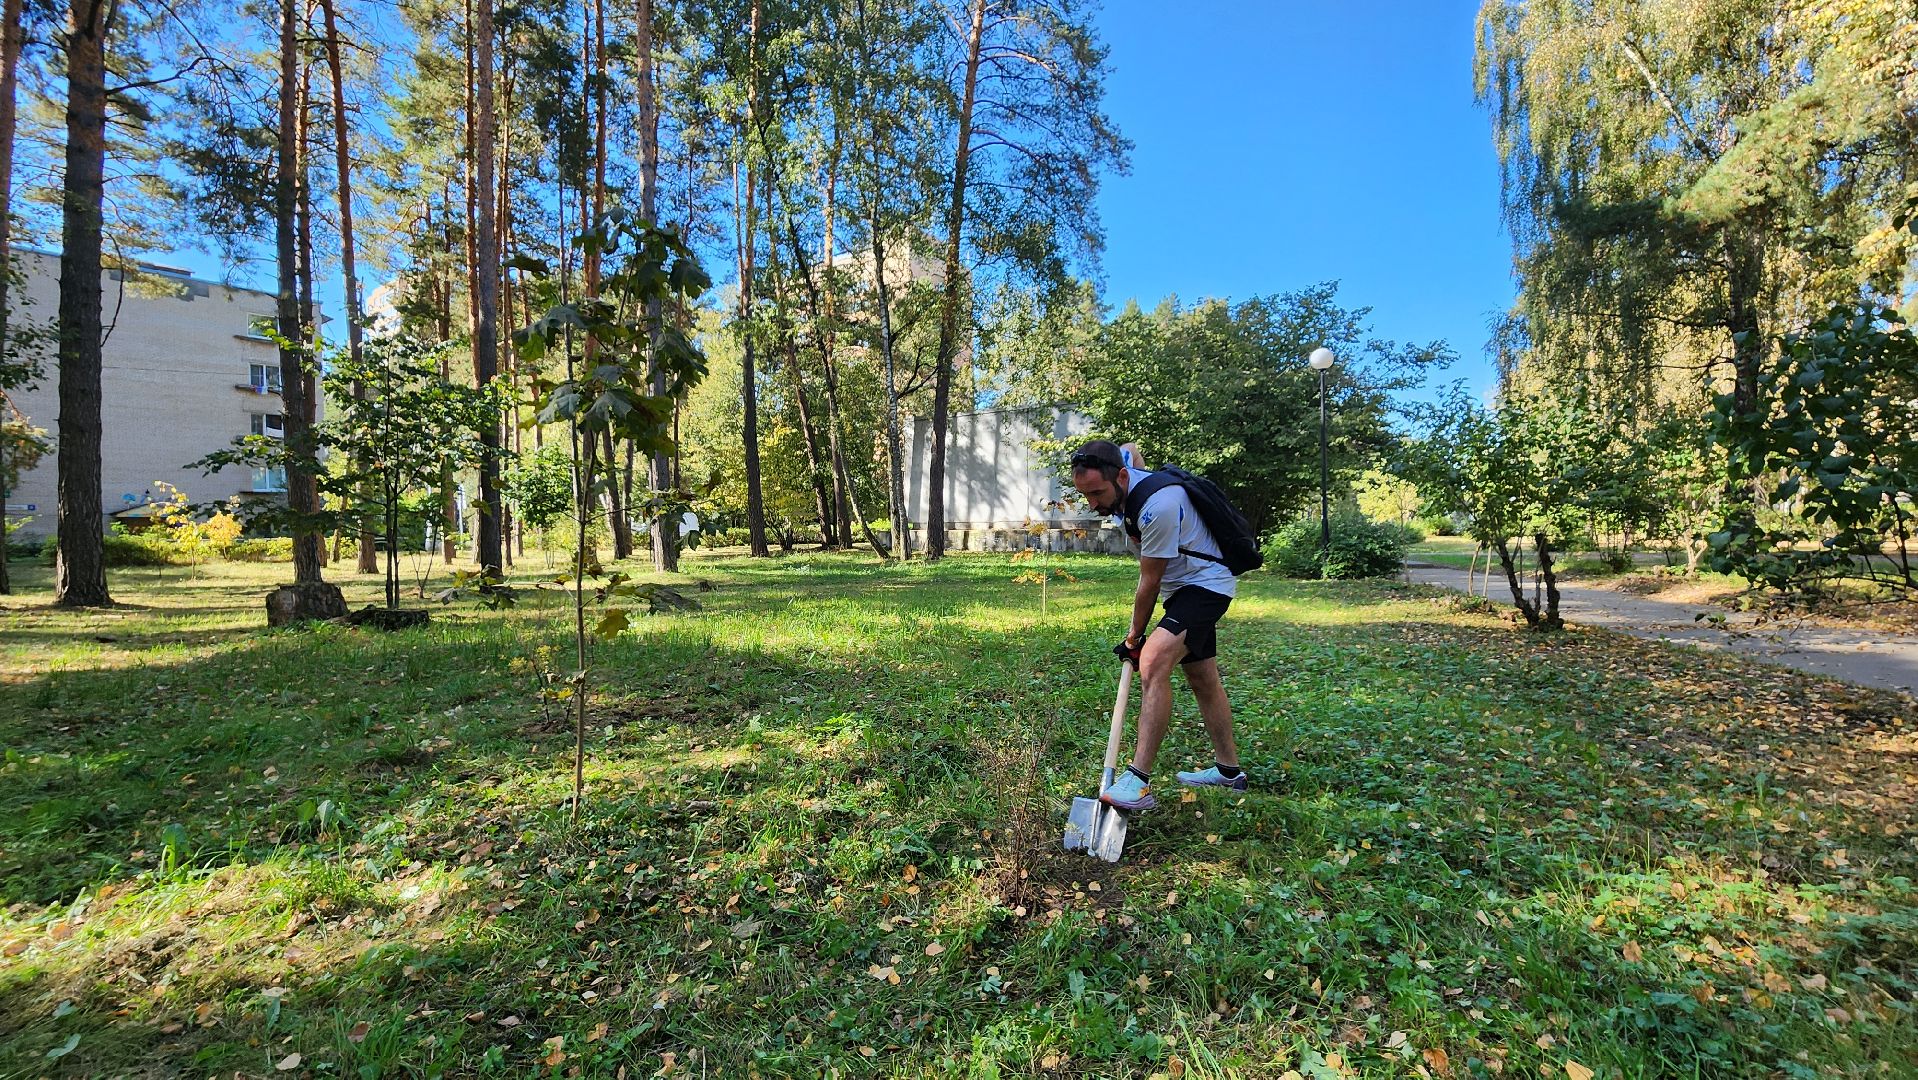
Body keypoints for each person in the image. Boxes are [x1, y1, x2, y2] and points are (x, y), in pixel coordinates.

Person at [1069, 439, 1246, 811]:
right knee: (1203, 678)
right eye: (1085, 495)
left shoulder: (1158, 507)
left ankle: (1138, 780)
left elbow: (1149, 582)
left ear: (1120, 476)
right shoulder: (1124, 468)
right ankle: (1230, 773)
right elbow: (1130, 447)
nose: (1094, 504)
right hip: (1184, 589)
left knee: (1151, 662)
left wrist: (1135, 638)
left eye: (1098, 493)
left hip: (1205, 585)